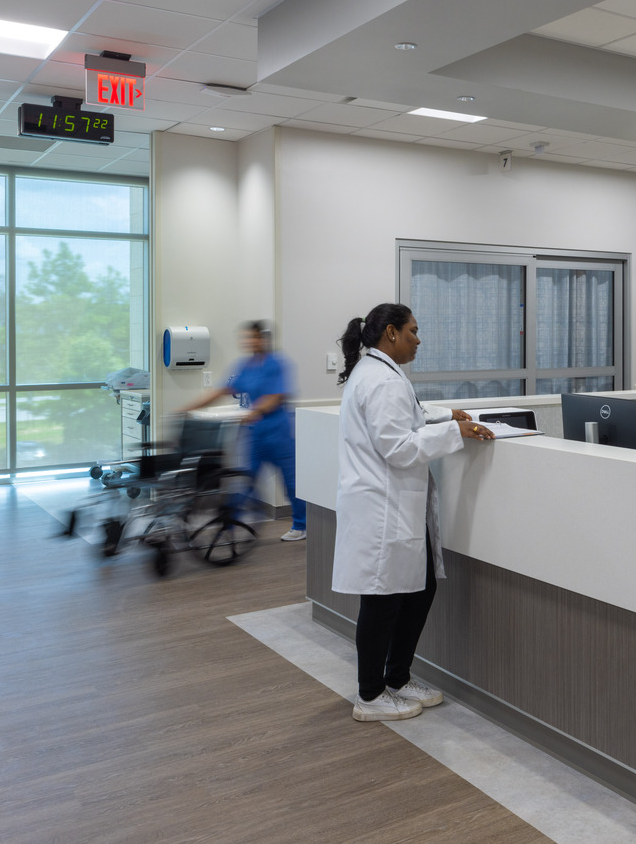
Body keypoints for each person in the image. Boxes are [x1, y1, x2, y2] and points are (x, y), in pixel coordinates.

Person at [331, 303, 494, 722]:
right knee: (382, 601)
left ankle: (398, 678)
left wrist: (446, 416)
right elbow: (399, 447)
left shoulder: (379, 372)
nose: (419, 341)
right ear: (391, 332)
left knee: (419, 589)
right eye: (413, 332)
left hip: (389, 505)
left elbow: (409, 414)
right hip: (382, 507)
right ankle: (370, 695)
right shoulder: (382, 380)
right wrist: (454, 432)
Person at [180, 321, 306, 542]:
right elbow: (222, 390)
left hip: (278, 434)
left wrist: (256, 411)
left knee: (292, 482)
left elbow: (277, 396)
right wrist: (189, 408)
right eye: (247, 337)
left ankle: (301, 525)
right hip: (256, 434)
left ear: (264, 339)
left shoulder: (277, 364)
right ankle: (228, 524)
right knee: (245, 479)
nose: (250, 341)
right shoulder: (244, 365)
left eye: (255, 337)